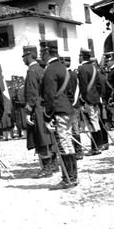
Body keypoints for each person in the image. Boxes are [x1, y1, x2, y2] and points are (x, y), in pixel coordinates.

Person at [40, 40, 78, 189]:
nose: (41, 55)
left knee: (63, 144)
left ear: (47, 52)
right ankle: (72, 176)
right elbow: (69, 92)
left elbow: (49, 96)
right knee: (68, 143)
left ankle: (68, 178)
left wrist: (47, 116)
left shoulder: (50, 70)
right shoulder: (62, 68)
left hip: (58, 111)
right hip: (67, 109)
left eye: (42, 52)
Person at [22, 44, 56, 178]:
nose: (23, 59)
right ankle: (53, 164)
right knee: (49, 137)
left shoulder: (31, 71)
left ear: (29, 56)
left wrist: (28, 111)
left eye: (24, 56)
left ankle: (46, 168)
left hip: (36, 108)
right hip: (45, 107)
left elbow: (31, 94)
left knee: (41, 138)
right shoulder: (42, 69)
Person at [77, 47, 104, 156]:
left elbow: (83, 86)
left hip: (87, 99)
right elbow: (98, 85)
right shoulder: (94, 68)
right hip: (95, 99)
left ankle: (96, 147)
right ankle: (99, 144)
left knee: (92, 124)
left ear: (82, 56)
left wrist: (83, 100)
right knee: (95, 122)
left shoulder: (82, 69)